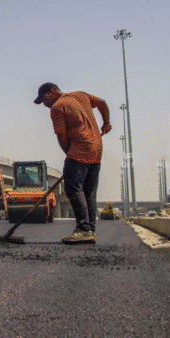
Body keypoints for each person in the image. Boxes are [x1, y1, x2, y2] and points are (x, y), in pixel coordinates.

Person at [34, 82, 111, 244]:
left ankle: (83, 229)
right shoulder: (81, 95)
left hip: (80, 149)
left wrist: (70, 155)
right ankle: (90, 230)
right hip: (96, 150)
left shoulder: (57, 107)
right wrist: (106, 122)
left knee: (73, 189)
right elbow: (102, 103)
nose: (45, 104)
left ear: (53, 92)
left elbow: (61, 137)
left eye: (44, 98)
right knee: (89, 192)